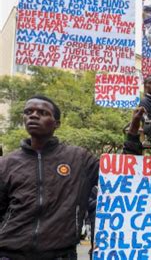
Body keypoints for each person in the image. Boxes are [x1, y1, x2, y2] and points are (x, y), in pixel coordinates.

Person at [0, 95, 99, 259]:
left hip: (60, 255)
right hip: (9, 254)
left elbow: (118, 175)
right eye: (28, 111)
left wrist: (132, 135)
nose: (33, 115)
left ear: (56, 124)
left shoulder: (79, 158)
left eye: (42, 112)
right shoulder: (6, 163)